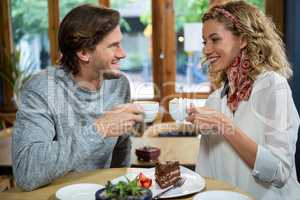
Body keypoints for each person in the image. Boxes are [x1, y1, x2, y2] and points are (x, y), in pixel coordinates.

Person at [12, 4, 144, 191]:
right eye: (113, 45)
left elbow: (121, 147)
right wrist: (100, 128)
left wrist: (121, 191)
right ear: (83, 52)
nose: (123, 54)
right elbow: (26, 172)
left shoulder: (118, 83)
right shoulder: (41, 90)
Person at [186, 1, 300, 199]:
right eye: (205, 42)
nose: (206, 50)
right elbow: (206, 173)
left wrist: (224, 125)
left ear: (244, 40)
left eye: (215, 39)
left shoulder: (273, 87)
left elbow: (279, 171)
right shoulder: (214, 100)